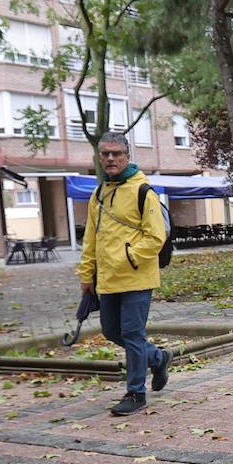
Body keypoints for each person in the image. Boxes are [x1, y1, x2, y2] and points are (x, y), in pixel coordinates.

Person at [78, 132, 171, 416]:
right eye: (105, 154)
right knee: (111, 331)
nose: (110, 158)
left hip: (136, 278)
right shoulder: (99, 193)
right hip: (106, 280)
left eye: (116, 153)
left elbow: (156, 237)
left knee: (132, 333)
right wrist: (86, 274)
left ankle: (135, 392)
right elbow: (91, 239)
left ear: (127, 156)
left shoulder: (144, 191)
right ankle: (158, 357)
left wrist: (127, 257)